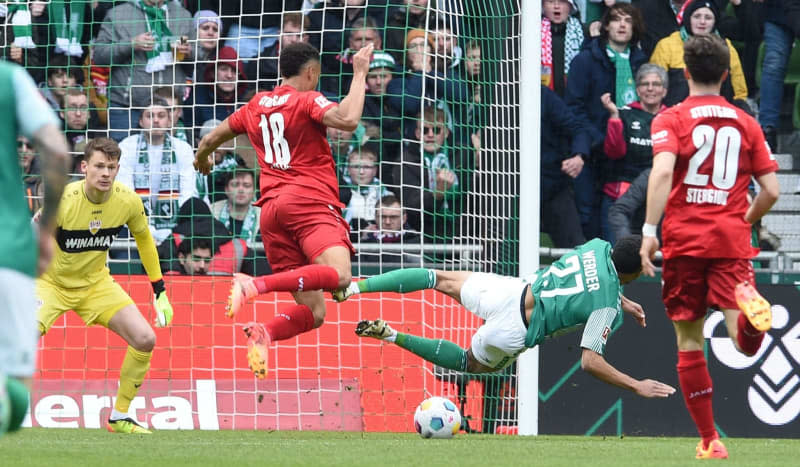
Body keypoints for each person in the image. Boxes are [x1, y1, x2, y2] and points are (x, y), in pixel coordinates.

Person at [194, 41, 375, 378]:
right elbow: (348, 119)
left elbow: (209, 140)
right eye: (316, 76)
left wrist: (202, 158)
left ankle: (266, 333)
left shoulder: (256, 104)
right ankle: (254, 285)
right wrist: (360, 72)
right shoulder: (307, 99)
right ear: (310, 72)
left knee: (315, 312)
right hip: (308, 201)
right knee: (343, 275)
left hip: (272, 212)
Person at [640, 35, 780, 460]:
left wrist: (649, 229)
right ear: (724, 75)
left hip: (685, 242)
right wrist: (746, 220)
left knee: (688, 339)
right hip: (730, 242)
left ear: (684, 73)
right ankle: (754, 324)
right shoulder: (746, 122)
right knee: (741, 342)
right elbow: (772, 190)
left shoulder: (671, 119)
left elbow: (663, 172)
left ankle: (710, 440)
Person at [339, 236, 677, 400]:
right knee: (470, 363)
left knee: (436, 278)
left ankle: (355, 287)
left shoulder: (597, 246)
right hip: (515, 331)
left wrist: (624, 298)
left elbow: (595, 279)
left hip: (508, 290)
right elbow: (589, 361)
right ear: (633, 274)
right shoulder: (607, 307)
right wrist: (636, 385)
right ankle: (391, 336)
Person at [36, 137, 174, 435]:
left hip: (96, 284)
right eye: (99, 166)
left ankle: (120, 416)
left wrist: (159, 290)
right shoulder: (63, 200)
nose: (105, 173)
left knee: (145, 338)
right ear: (84, 167)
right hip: (50, 283)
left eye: (111, 167)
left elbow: (145, 242)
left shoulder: (127, 201)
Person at [0, 60, 70, 438]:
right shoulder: (10, 80)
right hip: (8, 250)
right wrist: (46, 231)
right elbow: (58, 152)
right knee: (16, 392)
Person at [565, 3, 648, 240]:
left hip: (629, 153)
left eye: (628, 20)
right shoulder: (585, 61)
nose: (622, 25)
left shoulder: (641, 64)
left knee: (624, 215)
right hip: (592, 149)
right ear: (606, 25)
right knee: (587, 213)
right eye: (617, 19)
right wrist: (601, 139)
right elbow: (575, 108)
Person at [94, 0, 194, 142]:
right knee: (122, 160)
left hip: (168, 109)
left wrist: (189, 52)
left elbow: (201, 54)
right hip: (126, 107)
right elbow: (99, 56)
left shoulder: (182, 15)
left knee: (169, 161)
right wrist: (131, 44)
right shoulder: (117, 14)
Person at [599, 63, 668, 244]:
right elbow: (613, 152)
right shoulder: (624, 114)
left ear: (665, 91)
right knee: (619, 259)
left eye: (656, 84)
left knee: (654, 262)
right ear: (638, 89)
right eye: (645, 84)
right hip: (621, 197)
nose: (650, 88)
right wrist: (614, 117)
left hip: (658, 199)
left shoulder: (672, 119)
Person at [117, 98, 197, 245]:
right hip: (130, 226)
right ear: (141, 121)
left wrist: (166, 233)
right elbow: (125, 193)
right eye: (149, 116)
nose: (155, 121)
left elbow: (188, 194)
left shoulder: (183, 148)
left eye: (161, 116)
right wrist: (146, 230)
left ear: (169, 121)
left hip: (175, 226)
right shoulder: (126, 147)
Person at [649, 0, 749, 108]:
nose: (702, 22)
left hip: (717, 116)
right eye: (697, 16)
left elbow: (739, 92)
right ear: (688, 18)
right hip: (676, 115)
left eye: (708, 18)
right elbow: (654, 85)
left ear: (715, 21)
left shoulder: (726, 47)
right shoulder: (666, 45)